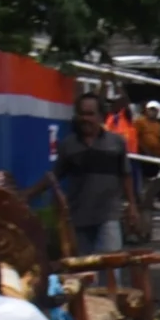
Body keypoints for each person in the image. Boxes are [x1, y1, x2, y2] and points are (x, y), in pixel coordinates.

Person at [53, 92, 137, 257]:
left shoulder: (116, 143)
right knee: (85, 271)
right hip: (78, 217)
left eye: (90, 114)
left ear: (100, 116)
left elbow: (125, 175)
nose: (86, 119)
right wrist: (29, 194)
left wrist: (132, 206)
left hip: (108, 215)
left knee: (110, 268)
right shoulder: (68, 145)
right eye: (82, 114)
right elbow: (54, 177)